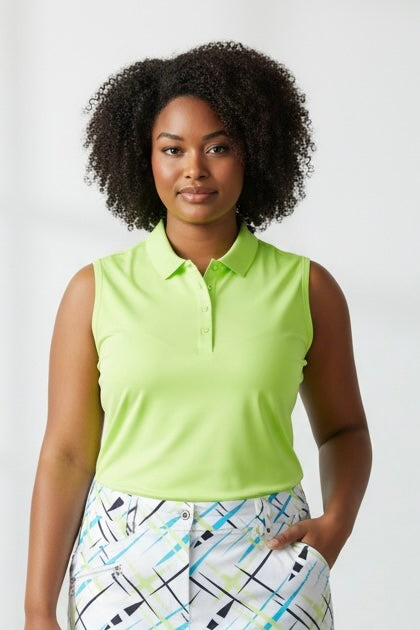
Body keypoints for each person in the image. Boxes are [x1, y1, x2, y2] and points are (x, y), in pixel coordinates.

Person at [24, 41, 372, 630]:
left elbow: (344, 430)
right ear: (144, 159)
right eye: (172, 149)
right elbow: (66, 453)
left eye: (218, 147)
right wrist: (37, 607)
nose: (195, 169)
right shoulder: (95, 289)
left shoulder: (307, 288)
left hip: (269, 560)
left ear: (253, 152)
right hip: (122, 566)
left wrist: (336, 523)